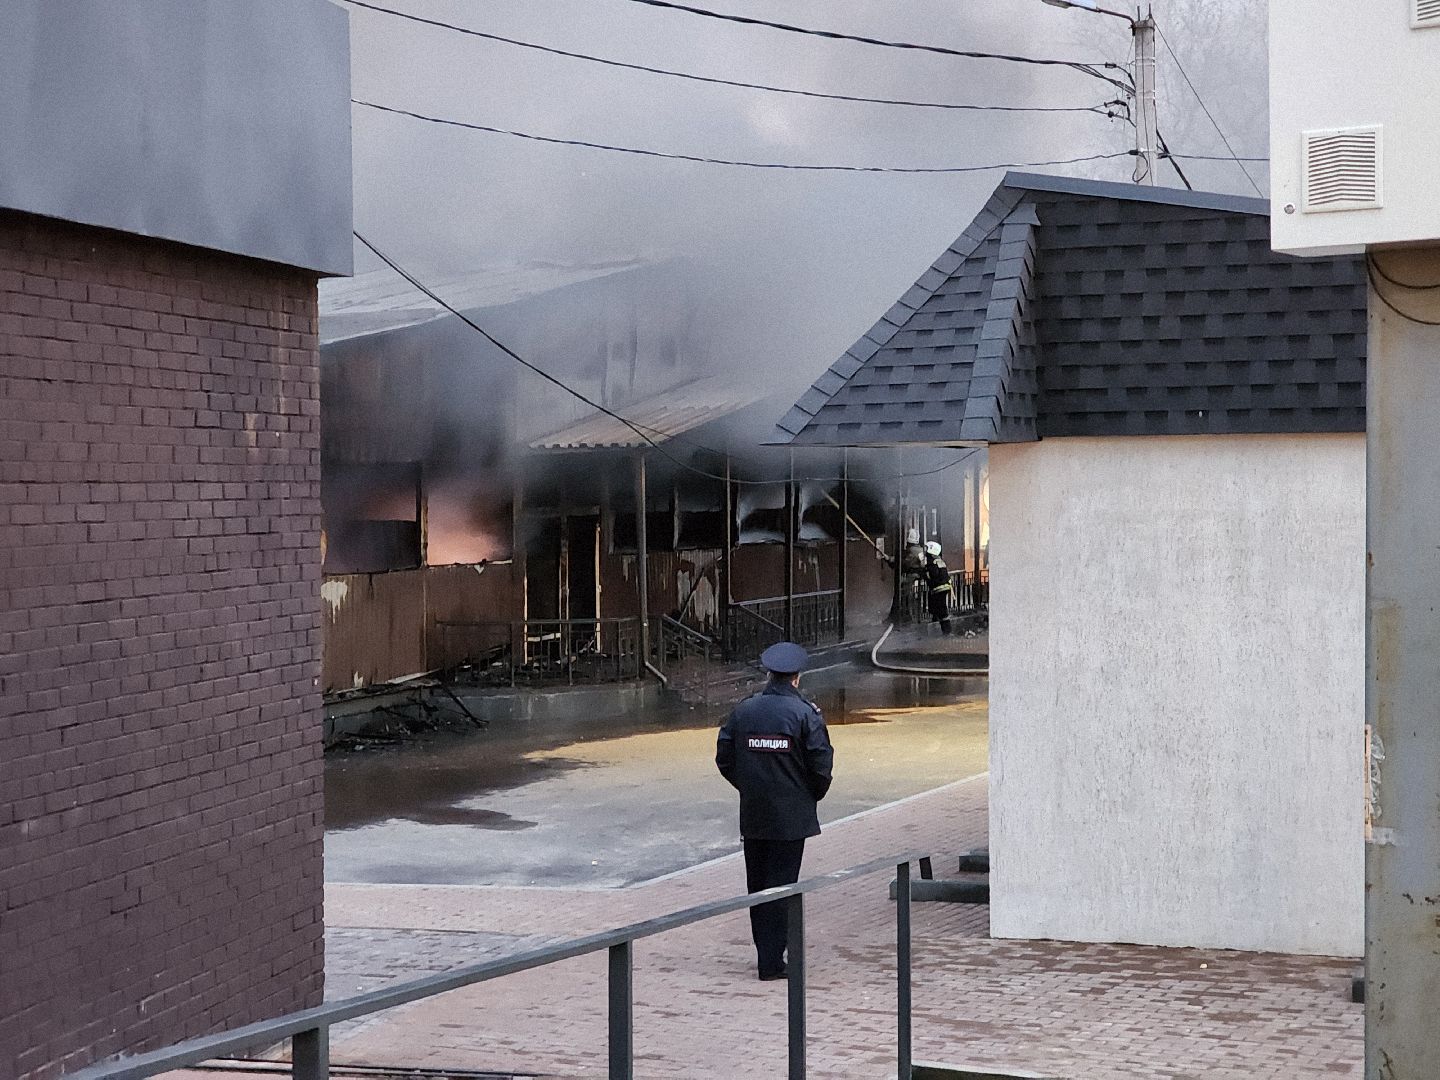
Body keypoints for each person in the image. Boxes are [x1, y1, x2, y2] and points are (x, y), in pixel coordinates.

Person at [715, 641, 834, 981]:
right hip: (791, 818)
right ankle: (772, 960)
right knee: (782, 885)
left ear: (770, 674)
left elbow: (725, 758)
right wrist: (808, 795)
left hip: (754, 813)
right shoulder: (805, 714)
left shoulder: (745, 711)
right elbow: (821, 765)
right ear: (797, 677)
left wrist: (750, 787)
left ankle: (765, 953)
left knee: (758, 886)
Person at [923, 540, 953, 634]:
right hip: (943, 587)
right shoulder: (939, 561)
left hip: (938, 588)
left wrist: (924, 572)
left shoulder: (932, 563)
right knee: (937, 606)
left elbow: (931, 575)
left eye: (926, 549)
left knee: (941, 609)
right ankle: (937, 625)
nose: (924, 552)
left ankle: (947, 631)